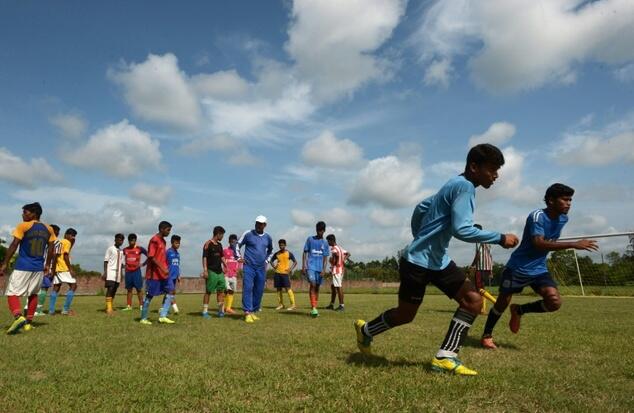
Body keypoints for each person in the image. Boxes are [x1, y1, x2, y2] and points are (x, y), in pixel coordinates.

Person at [353, 143, 519, 376]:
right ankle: (366, 331)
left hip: (438, 261)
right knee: (405, 315)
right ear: (474, 167)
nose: (496, 175)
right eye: (492, 169)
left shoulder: (452, 184)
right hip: (417, 263)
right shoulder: (466, 187)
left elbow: (422, 207)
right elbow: (463, 229)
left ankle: (445, 357)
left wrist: (419, 236)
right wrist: (500, 238)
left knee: (473, 301)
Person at [480, 183, 598, 349]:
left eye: (570, 200)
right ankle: (487, 335)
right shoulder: (536, 216)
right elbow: (538, 243)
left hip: (539, 269)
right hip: (517, 268)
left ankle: (520, 310)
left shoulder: (564, 218)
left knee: (554, 302)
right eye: (565, 199)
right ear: (551, 200)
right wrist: (574, 244)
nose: (569, 203)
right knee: (501, 303)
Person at [0, 202, 56, 334]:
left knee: (12, 292)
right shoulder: (49, 229)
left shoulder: (23, 226)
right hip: (38, 267)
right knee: (33, 294)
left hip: (23, 266)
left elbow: (14, 245)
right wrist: (47, 264)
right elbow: (51, 249)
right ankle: (28, 324)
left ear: (34, 213)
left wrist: (4, 263)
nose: (22, 214)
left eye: (25, 212)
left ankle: (18, 317)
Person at [235, 216, 273, 323]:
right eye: (257, 223)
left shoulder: (268, 237)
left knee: (259, 290)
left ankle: (253, 311)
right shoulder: (248, 234)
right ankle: (247, 312)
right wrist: (238, 257)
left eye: (261, 223)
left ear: (265, 225)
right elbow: (237, 244)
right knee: (247, 287)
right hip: (249, 266)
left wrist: (266, 261)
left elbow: (271, 250)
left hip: (261, 268)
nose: (258, 225)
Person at [140, 221, 174, 325]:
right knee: (149, 295)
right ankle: (143, 318)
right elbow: (152, 257)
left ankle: (163, 316)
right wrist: (162, 268)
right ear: (162, 229)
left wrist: (165, 268)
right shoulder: (154, 240)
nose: (169, 232)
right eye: (168, 230)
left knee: (171, 291)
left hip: (163, 274)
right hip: (153, 274)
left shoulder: (163, 241)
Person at [302, 221, 330, 318]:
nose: (320, 232)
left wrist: (324, 269)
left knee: (317, 287)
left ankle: (314, 307)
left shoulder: (325, 243)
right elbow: (305, 252)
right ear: (316, 230)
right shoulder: (310, 239)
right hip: (311, 266)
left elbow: (326, 257)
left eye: (321, 231)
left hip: (320, 269)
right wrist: (303, 266)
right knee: (312, 284)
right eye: (318, 230)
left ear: (324, 231)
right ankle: (314, 307)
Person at [50, 227, 78, 316]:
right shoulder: (67, 242)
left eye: (74, 236)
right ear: (66, 234)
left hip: (58, 268)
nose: (73, 237)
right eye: (71, 235)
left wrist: (53, 269)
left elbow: (56, 255)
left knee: (56, 288)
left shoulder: (59, 241)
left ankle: (51, 311)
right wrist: (70, 269)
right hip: (64, 268)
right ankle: (65, 310)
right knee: (73, 286)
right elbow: (65, 255)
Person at [34, 224, 61, 316]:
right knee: (44, 288)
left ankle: (30, 308)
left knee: (36, 288)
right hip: (47, 267)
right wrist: (52, 269)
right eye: (58, 232)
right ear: (55, 232)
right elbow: (54, 256)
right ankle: (38, 310)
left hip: (37, 265)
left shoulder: (42, 240)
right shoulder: (57, 242)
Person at [201, 226, 226, 319]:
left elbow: (222, 256)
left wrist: (225, 265)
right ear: (218, 234)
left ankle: (220, 311)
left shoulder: (220, 245)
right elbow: (204, 257)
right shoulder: (208, 244)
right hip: (211, 271)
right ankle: (204, 312)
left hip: (220, 272)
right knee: (208, 291)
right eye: (222, 235)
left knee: (220, 291)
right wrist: (205, 270)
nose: (223, 237)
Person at [470, 224, 494, 315]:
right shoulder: (488, 239)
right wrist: (491, 270)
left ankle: (495, 302)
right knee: (482, 289)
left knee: (479, 288)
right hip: (487, 267)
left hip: (481, 267)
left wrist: (472, 265)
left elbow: (478, 255)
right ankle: (483, 309)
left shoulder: (478, 239)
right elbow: (490, 256)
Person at [269, 239, 297, 311]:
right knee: (278, 289)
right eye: (280, 245)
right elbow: (271, 260)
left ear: (285, 245)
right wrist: (274, 266)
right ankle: (281, 304)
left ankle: (293, 305)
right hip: (277, 273)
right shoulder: (277, 254)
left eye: (282, 245)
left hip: (285, 274)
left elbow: (295, 262)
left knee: (288, 288)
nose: (281, 246)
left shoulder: (289, 253)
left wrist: (290, 269)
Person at [122, 234, 147, 311]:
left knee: (139, 289)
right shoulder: (125, 250)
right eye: (130, 240)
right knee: (129, 289)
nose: (131, 242)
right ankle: (129, 305)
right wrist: (122, 265)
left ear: (135, 240)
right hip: (128, 272)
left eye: (133, 240)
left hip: (136, 272)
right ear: (128, 241)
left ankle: (141, 305)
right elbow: (119, 258)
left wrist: (143, 264)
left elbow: (149, 256)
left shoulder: (140, 249)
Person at [326, 234, 350, 311]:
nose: (328, 243)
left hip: (337, 270)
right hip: (341, 269)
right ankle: (332, 304)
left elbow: (334, 260)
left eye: (328, 241)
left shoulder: (334, 249)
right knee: (333, 287)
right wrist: (343, 259)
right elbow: (348, 253)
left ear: (331, 241)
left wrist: (331, 261)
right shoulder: (340, 248)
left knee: (338, 287)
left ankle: (341, 305)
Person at [102, 233, 125, 315]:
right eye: (119, 239)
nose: (120, 241)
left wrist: (122, 274)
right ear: (115, 240)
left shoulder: (121, 251)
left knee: (114, 290)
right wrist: (105, 272)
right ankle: (108, 309)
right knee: (110, 288)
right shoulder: (110, 249)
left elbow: (121, 264)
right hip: (111, 271)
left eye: (122, 240)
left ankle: (110, 306)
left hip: (118, 274)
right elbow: (106, 261)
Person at [223, 234, 241, 314]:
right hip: (226, 274)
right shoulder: (225, 250)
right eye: (232, 242)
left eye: (235, 242)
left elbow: (239, 262)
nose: (233, 244)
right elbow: (221, 260)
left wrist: (237, 269)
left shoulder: (238, 252)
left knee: (232, 291)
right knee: (226, 290)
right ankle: (222, 307)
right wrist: (223, 269)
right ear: (229, 242)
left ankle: (228, 308)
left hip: (234, 275)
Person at [165, 235, 181, 315]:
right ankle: (175, 309)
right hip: (168, 276)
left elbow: (178, 265)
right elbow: (164, 262)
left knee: (170, 293)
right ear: (172, 243)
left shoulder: (178, 254)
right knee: (171, 291)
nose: (178, 245)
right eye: (176, 243)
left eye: (179, 243)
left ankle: (163, 307)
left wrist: (178, 275)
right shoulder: (168, 252)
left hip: (175, 276)